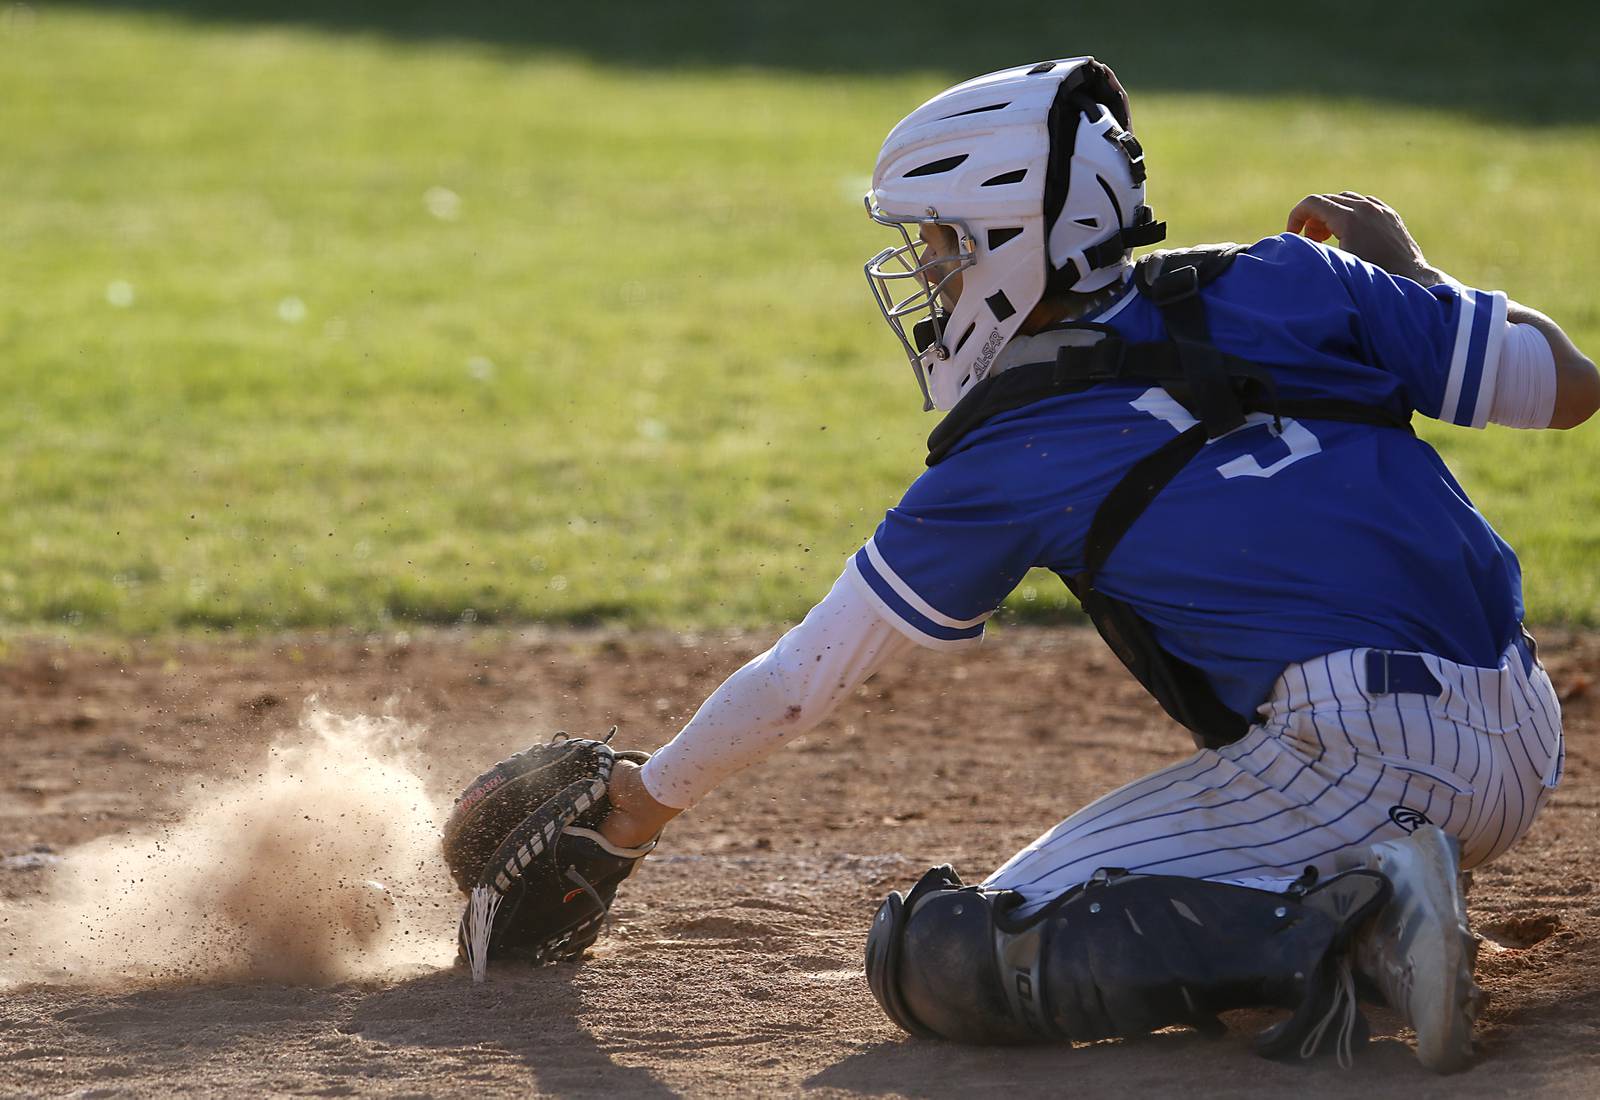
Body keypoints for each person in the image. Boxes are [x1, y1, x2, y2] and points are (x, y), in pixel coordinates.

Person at [593, 57, 1598, 1071]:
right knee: (1159, 890)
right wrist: (1414, 279)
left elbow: (800, 683)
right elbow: (1570, 386)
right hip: (1521, 725)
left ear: (1015, 244)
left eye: (941, 242)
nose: (927, 271)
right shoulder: (1292, 274)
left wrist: (640, 803)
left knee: (939, 952)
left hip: (1360, 759)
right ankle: (1373, 901)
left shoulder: (1012, 448)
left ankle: (1366, 921)